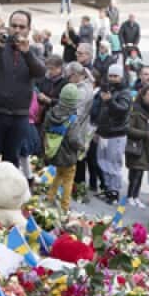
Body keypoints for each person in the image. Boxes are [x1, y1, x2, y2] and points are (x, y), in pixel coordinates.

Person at [0, 10, 45, 189]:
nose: (17, 30)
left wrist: (27, 53)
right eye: (14, 26)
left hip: (19, 113)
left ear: (28, 29)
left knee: (11, 158)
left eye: (22, 27)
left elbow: (40, 72)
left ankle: (6, 193)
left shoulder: (34, 50)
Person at [42, 83, 86, 212]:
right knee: (68, 180)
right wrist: (82, 146)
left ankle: (50, 198)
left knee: (58, 175)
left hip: (54, 152)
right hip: (68, 155)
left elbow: (44, 129)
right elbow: (73, 139)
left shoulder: (51, 113)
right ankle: (65, 206)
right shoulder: (72, 119)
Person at [91, 63, 132, 203]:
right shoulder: (108, 89)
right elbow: (101, 112)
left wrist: (109, 101)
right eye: (111, 76)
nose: (113, 78)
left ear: (121, 77)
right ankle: (108, 188)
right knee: (102, 162)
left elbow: (122, 111)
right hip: (104, 132)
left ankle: (114, 191)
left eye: (116, 76)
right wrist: (97, 130)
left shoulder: (125, 93)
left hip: (116, 134)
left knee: (114, 163)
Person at [124, 85, 149, 205]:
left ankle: (136, 196)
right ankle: (130, 195)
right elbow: (128, 129)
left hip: (147, 146)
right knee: (135, 171)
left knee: (141, 172)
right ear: (143, 96)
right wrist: (145, 134)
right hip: (136, 145)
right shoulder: (136, 109)